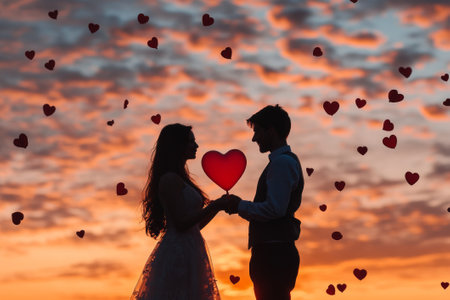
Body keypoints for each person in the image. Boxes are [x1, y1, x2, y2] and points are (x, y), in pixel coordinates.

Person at [130, 123, 230, 300]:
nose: (196, 145)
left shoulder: (181, 179)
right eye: (191, 142)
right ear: (177, 145)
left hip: (191, 249)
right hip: (178, 253)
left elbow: (195, 226)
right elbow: (181, 223)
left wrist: (218, 207)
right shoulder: (169, 179)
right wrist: (214, 206)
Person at [225, 105, 304, 300]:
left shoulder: (281, 163)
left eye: (257, 131)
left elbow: (275, 209)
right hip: (273, 252)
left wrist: (238, 206)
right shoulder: (281, 162)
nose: (254, 138)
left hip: (273, 255)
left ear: (271, 130)